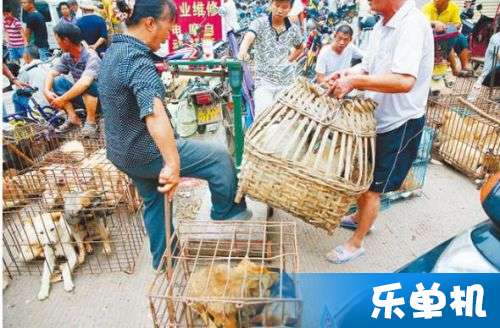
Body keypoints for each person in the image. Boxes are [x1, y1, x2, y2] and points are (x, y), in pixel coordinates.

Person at [98, 0, 251, 270]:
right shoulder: (136, 59)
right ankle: (225, 210)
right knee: (217, 158)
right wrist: (172, 163)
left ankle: (165, 260)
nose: (170, 33)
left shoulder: (116, 49)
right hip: (144, 151)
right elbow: (153, 111)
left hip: (122, 152)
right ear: (149, 23)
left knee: (154, 200)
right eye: (169, 25)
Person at [326, 0, 434, 264]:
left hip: (400, 120)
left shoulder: (411, 25)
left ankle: (356, 242)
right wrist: (346, 74)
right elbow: (368, 65)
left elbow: (404, 81)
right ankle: (359, 218)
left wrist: (356, 81)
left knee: (374, 187)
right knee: (363, 177)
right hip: (377, 116)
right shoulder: (380, 26)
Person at [238, 0, 304, 117]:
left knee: (285, 119)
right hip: (264, 81)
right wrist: (243, 50)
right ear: (271, 4)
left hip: (286, 82)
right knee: (263, 118)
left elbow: (300, 47)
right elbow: (249, 36)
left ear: (290, 8)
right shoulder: (259, 23)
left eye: (284, 7)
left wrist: (288, 59)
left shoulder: (293, 29)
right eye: (277, 5)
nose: (280, 10)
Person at [44, 22, 101, 135]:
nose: (57, 43)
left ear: (65, 40)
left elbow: (85, 83)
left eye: (57, 39)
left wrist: (62, 99)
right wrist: (46, 91)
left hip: (101, 99)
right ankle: (72, 116)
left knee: (85, 84)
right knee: (57, 82)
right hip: (84, 99)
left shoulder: (91, 56)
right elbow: (51, 73)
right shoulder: (67, 56)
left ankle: (91, 122)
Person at [422, 0, 471, 76]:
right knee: (447, 42)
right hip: (431, 35)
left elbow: (458, 23)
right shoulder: (427, 7)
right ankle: (453, 68)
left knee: (461, 38)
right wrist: (434, 23)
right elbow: (422, 23)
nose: (436, 1)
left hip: (447, 33)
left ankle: (465, 66)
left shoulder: (453, 7)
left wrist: (448, 27)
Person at [12, 45, 50, 117]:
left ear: (27, 56)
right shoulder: (47, 64)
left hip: (40, 106)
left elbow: (18, 88)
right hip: (53, 102)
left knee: (16, 95)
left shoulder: (25, 69)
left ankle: (22, 119)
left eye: (23, 54)